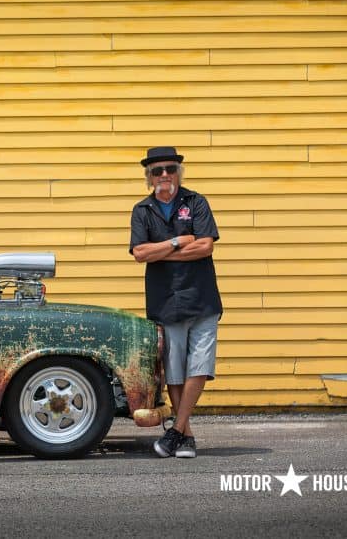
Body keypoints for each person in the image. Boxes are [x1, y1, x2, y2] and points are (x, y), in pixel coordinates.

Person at [129, 146, 222, 459]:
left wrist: (162, 253)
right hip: (165, 300)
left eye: (170, 169)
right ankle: (186, 435)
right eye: (157, 171)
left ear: (178, 173)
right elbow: (140, 254)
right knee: (174, 369)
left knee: (199, 365)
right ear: (149, 178)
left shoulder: (196, 202)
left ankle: (176, 430)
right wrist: (177, 241)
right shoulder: (142, 210)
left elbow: (206, 246)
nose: (164, 175)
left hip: (202, 297)